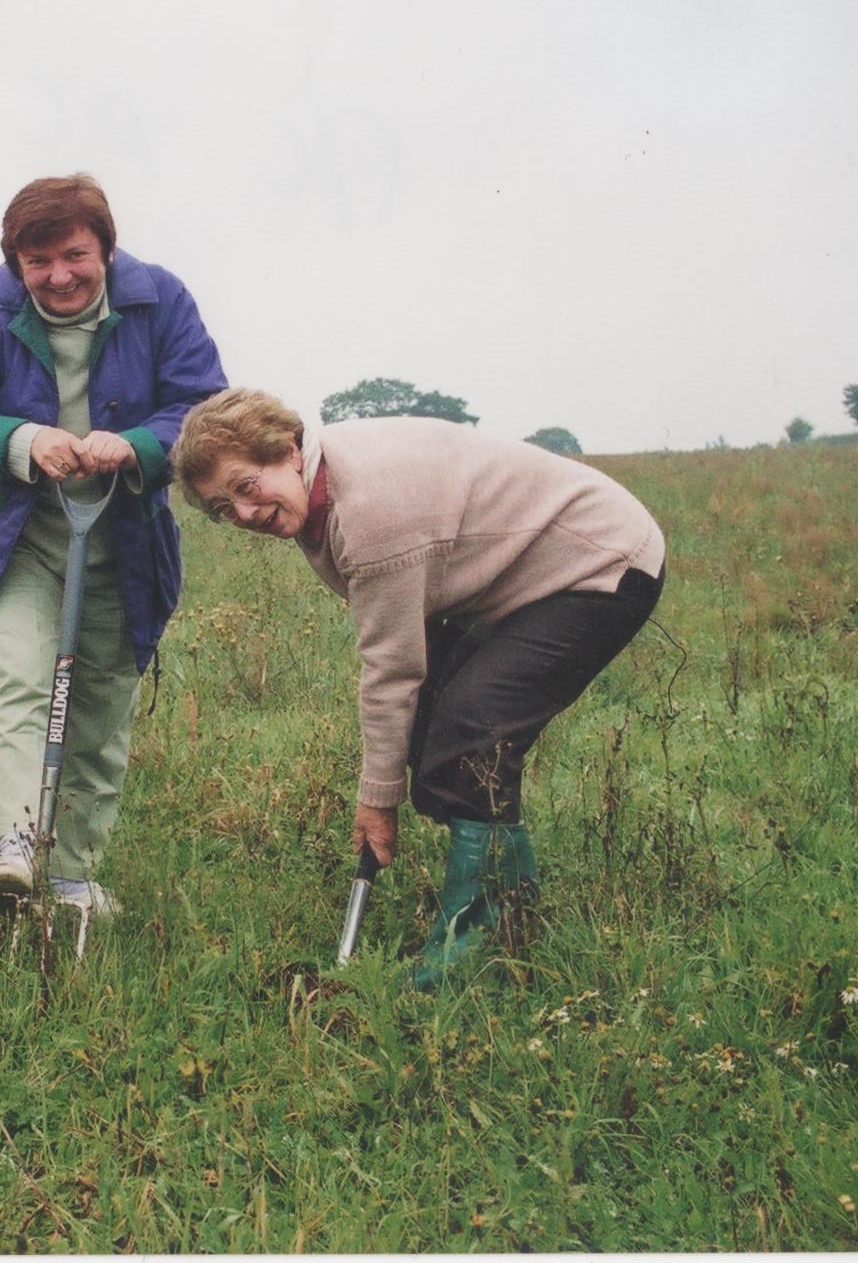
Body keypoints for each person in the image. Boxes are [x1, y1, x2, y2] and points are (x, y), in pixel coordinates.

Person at [174, 388, 666, 989]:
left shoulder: (370, 511)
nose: (245, 514)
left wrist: (377, 801)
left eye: (245, 486)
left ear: (288, 449)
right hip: (517, 575)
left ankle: (478, 951)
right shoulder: (316, 493)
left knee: (471, 728)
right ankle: (507, 904)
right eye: (224, 509)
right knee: (437, 729)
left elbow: (392, 670)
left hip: (600, 562)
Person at [0, 173, 228, 922]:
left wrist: (130, 446)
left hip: (120, 539)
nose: (58, 276)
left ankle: (70, 878)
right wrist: (27, 439)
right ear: (15, 266)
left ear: (104, 248)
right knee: (20, 683)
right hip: (16, 537)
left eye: (73, 255)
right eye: (38, 263)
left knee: (97, 712)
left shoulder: (159, 299)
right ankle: (19, 850)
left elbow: (200, 407)